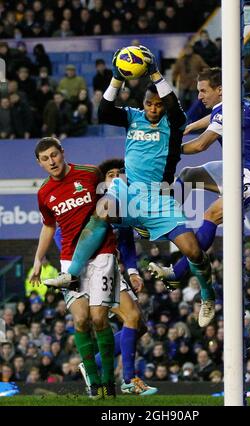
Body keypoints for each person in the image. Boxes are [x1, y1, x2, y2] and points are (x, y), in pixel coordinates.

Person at [43, 46, 215, 328]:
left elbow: (176, 109)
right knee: (101, 210)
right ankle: (73, 272)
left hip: (159, 197)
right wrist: (116, 77)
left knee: (194, 251)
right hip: (129, 189)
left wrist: (156, 73)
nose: (154, 109)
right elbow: (104, 111)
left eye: (158, 105)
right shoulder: (133, 117)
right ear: (143, 103)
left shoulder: (172, 124)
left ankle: (208, 297)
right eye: (150, 104)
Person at [149, 67, 250, 284]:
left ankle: (177, 274)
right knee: (189, 174)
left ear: (220, 90)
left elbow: (201, 145)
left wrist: (170, 148)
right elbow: (212, 117)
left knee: (211, 215)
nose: (199, 97)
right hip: (237, 169)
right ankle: (168, 221)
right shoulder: (230, 106)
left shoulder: (229, 110)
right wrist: (189, 127)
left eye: (203, 91)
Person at [54, 158, 158, 396]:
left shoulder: (122, 204)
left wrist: (132, 271)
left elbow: (127, 242)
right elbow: (64, 235)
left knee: (138, 323)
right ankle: (125, 379)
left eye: (118, 174)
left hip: (109, 268)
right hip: (84, 269)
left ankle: (101, 366)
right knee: (104, 320)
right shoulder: (90, 202)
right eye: (109, 174)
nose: (114, 177)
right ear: (101, 181)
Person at [30, 137, 119, 398]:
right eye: (45, 159)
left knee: (99, 318)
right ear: (40, 163)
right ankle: (94, 382)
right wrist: (38, 260)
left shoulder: (90, 173)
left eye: (54, 155)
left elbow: (112, 204)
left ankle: (108, 383)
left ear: (62, 153)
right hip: (69, 259)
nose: (51, 161)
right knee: (80, 320)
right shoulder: (44, 193)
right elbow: (49, 226)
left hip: (102, 253)